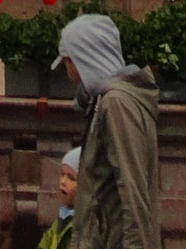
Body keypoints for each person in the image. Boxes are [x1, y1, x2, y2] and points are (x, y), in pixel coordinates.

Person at [53, 12, 161, 249]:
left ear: (83, 59)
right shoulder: (108, 101)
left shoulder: (116, 104)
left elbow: (133, 190)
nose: (68, 72)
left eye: (68, 62)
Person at [38, 149, 81, 249]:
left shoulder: (87, 226)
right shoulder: (60, 222)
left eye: (71, 178)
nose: (63, 181)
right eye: (62, 174)